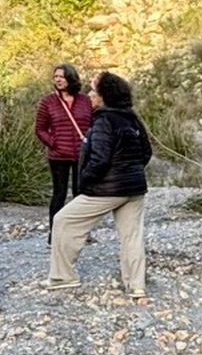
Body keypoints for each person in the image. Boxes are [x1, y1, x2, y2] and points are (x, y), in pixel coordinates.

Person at [48, 70, 153, 300]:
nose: (89, 94)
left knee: (63, 219)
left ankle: (63, 276)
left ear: (104, 95)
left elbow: (100, 159)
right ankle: (136, 286)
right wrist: (131, 171)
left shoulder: (104, 121)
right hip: (135, 188)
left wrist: (85, 180)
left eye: (93, 91)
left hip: (108, 189)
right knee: (132, 236)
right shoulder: (132, 118)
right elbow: (146, 152)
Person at [33, 64, 93, 229]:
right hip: (58, 156)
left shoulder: (85, 101)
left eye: (62, 76)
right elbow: (40, 129)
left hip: (81, 154)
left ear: (70, 78)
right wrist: (54, 143)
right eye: (55, 77)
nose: (58, 80)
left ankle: (79, 231)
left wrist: (91, 144)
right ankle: (55, 232)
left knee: (80, 193)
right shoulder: (48, 101)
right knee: (59, 194)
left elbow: (92, 124)